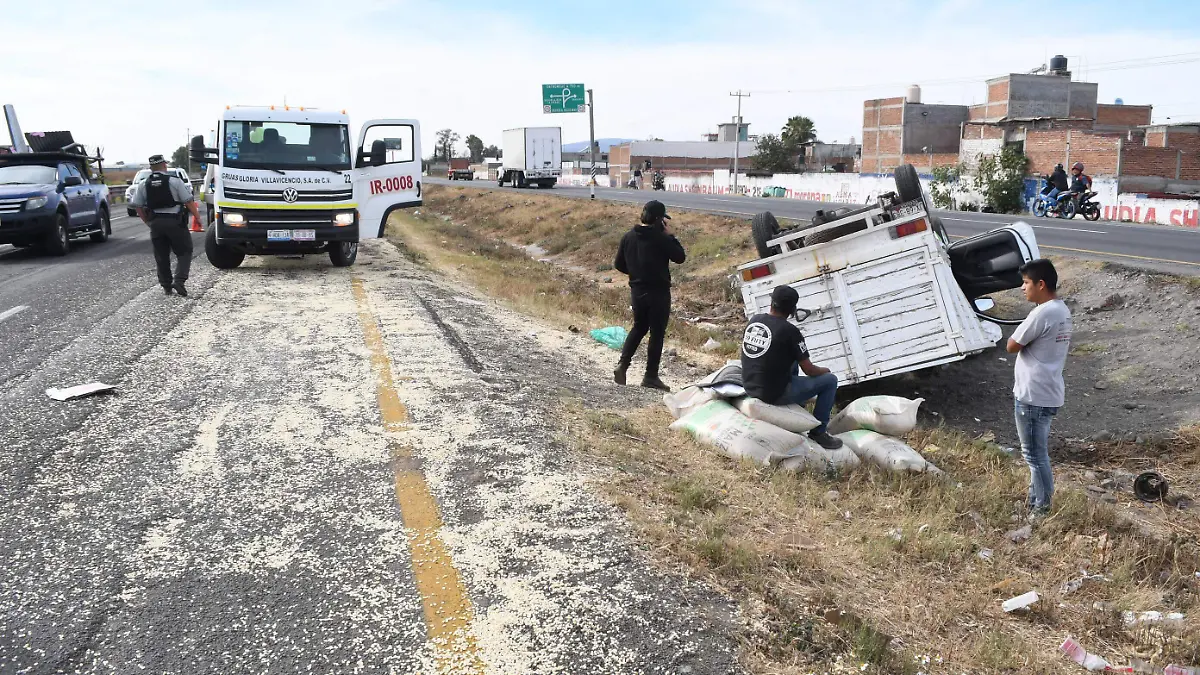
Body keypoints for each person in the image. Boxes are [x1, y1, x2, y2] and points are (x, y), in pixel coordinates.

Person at [1006, 259, 1073, 520]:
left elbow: (1012, 345)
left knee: (1034, 455)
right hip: (1048, 391)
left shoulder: (1042, 313)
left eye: (1026, 283)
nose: (1023, 288)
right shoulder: (1062, 310)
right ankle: (1034, 501)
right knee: (1035, 453)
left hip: (1033, 395)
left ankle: (1042, 509)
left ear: (1041, 284)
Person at [740, 285, 843, 450]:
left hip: (750, 385)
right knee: (830, 381)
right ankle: (819, 432)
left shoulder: (755, 320)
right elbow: (809, 370)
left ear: (772, 303)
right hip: (773, 393)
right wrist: (825, 370)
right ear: (793, 310)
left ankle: (799, 403)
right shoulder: (790, 331)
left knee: (790, 356)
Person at [613, 200, 686, 392]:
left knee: (638, 327)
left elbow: (618, 264)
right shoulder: (661, 238)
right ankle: (650, 376)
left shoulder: (628, 236)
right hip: (658, 293)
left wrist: (636, 273)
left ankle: (623, 364)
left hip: (637, 291)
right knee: (657, 333)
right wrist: (671, 236)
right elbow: (680, 257)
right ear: (659, 220)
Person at [130, 154, 202, 297]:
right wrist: (197, 218)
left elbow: (137, 206)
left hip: (156, 222)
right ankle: (179, 281)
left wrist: (148, 221)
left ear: (151, 168)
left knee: (161, 256)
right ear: (164, 165)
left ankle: (166, 286)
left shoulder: (143, 184)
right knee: (184, 251)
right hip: (175, 221)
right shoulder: (175, 181)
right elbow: (188, 201)